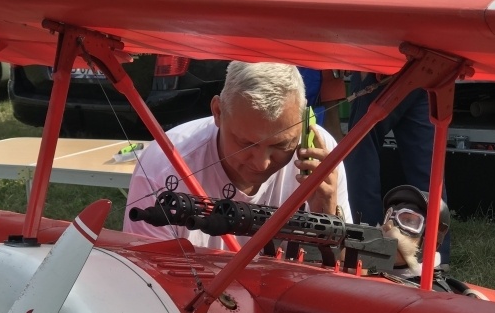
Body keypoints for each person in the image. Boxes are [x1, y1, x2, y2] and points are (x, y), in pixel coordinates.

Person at [123, 61, 352, 249]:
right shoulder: (164, 165)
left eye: (282, 144)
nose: (261, 163)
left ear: (303, 123)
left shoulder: (321, 156)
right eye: (246, 143)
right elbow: (147, 280)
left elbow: (344, 275)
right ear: (218, 112)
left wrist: (327, 213)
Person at [337, 0, 468, 270]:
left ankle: (432, 257)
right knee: (370, 157)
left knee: (424, 165)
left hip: (425, 68)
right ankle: (372, 247)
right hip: (381, 67)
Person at [253, 0, 347, 142]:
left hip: (318, 44)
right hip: (282, 42)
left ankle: (329, 167)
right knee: (282, 117)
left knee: (323, 123)